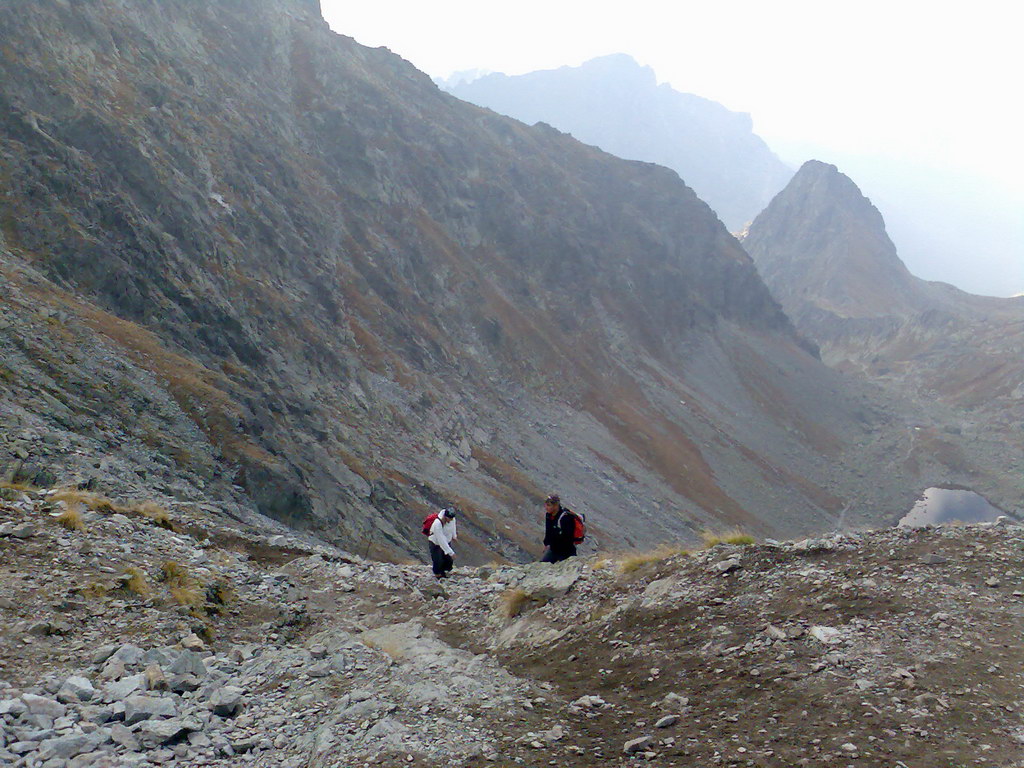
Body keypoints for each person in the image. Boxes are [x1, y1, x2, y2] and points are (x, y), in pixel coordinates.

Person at [541, 494, 577, 563]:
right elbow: (548, 531)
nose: (546, 507)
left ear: (556, 506)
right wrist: (546, 544)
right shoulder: (549, 515)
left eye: (548, 505)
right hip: (553, 549)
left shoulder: (565, 518)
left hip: (566, 552)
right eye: (546, 505)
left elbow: (569, 538)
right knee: (542, 566)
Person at [427, 507, 458, 578]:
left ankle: (445, 573)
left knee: (448, 561)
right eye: (449, 519)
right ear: (445, 517)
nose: (451, 520)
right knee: (438, 560)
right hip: (436, 543)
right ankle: (438, 576)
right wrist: (451, 552)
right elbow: (441, 540)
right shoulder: (437, 524)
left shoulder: (452, 519)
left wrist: (454, 536)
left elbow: (453, 527)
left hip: (447, 541)